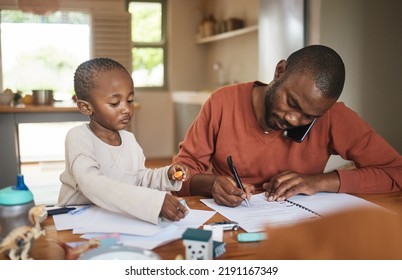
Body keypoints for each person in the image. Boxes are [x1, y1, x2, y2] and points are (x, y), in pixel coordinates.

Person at [173, 44, 402, 206]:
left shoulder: (332, 116)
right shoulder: (222, 102)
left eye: (308, 117)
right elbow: (177, 175)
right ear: (279, 71)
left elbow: (396, 172)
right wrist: (211, 184)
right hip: (231, 223)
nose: (293, 120)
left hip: (300, 228)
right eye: (291, 103)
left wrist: (320, 182)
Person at [57, 57, 189, 224]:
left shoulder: (129, 140)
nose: (126, 109)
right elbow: (92, 184)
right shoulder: (78, 137)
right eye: (114, 103)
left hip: (114, 218)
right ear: (86, 107)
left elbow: (140, 178)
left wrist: (167, 174)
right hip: (76, 219)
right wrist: (152, 201)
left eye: (130, 100)